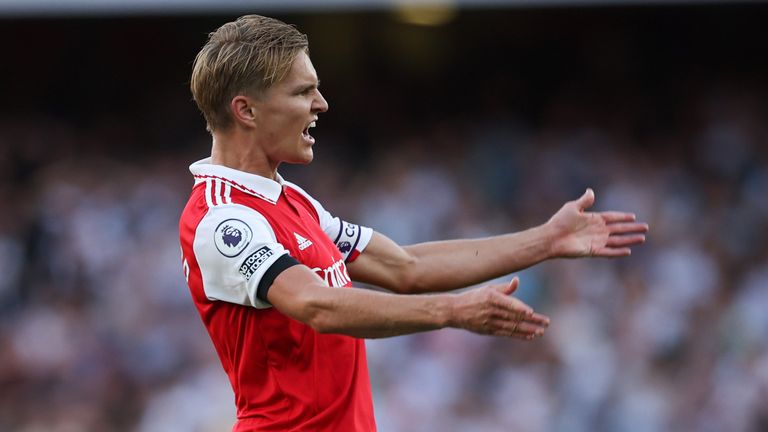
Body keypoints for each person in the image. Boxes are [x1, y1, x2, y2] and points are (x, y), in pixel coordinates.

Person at [178, 15, 648, 431]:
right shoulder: (221, 218)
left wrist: (545, 240)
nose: (321, 104)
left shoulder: (290, 201)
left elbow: (406, 267)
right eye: (303, 92)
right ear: (246, 110)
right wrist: (451, 312)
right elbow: (315, 305)